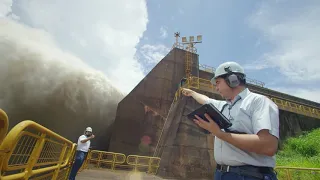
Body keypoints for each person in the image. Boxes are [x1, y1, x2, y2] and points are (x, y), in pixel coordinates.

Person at [182, 61, 279, 180]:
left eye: (218, 83)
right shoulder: (223, 106)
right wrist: (192, 93)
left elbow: (268, 146)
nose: (216, 88)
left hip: (249, 175)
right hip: (222, 174)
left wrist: (219, 134)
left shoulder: (257, 102)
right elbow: (206, 100)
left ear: (232, 80)